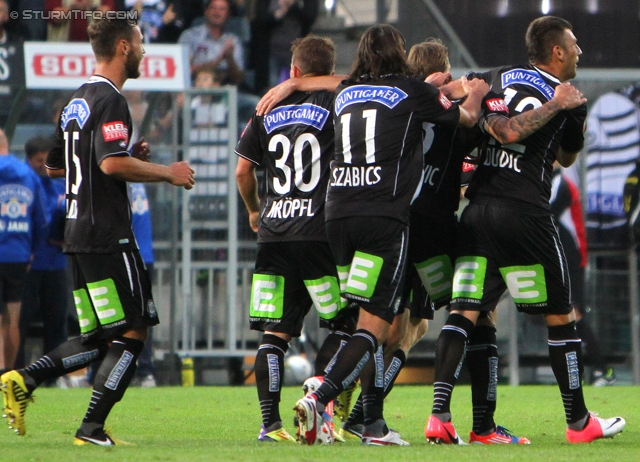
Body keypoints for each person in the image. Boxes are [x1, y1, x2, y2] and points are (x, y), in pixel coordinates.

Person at [425, 16, 625, 445]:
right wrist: (563, 107)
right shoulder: (570, 98)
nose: (579, 52)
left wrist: (436, 85)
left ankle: (442, 416)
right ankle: (578, 422)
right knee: (560, 316)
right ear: (556, 52)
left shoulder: (492, 77)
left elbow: (442, 97)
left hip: (477, 211)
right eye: (574, 45)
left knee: (465, 311)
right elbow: (568, 157)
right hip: (525, 215)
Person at [287, 24, 488, 446]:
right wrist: (472, 91)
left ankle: (370, 423)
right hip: (383, 218)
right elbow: (467, 117)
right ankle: (323, 396)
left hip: (337, 216)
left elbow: (336, 82)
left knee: (369, 319)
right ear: (400, 53)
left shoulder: (346, 92)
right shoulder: (411, 92)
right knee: (378, 325)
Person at [0, 16, 194, 445]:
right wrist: (167, 172)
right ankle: (90, 428)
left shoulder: (77, 101)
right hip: (109, 235)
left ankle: (24, 380)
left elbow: (54, 166)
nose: (144, 50)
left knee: (96, 335)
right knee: (133, 332)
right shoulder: (111, 100)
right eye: (141, 41)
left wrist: (123, 154)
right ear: (124, 46)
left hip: (78, 238)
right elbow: (109, 164)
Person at [236, 34, 356, 444]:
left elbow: (242, 172)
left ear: (294, 70)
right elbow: (355, 82)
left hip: (273, 235)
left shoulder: (265, 107)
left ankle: (270, 426)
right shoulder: (337, 100)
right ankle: (319, 393)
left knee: (275, 334)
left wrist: (254, 209)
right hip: (318, 233)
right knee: (345, 323)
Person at [550, 163, 615, 387]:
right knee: (563, 313)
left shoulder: (562, 184)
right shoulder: (551, 182)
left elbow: (549, 214)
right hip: (562, 253)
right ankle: (586, 368)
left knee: (574, 312)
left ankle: (602, 369)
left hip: (572, 255)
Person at [15, 136, 69, 377]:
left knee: (57, 320)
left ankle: (52, 376)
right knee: (20, 320)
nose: (45, 165)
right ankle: (16, 371)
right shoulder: (21, 181)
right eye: (40, 160)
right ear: (29, 160)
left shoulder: (59, 181)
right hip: (27, 262)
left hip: (56, 261)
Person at [0, 129, 48, 374]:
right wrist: (32, 250)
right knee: (12, 319)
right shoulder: (28, 175)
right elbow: (42, 219)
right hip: (18, 255)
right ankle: (9, 372)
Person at [178, 0, 244, 86]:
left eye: (222, 9)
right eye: (213, 8)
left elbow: (238, 79)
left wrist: (230, 58)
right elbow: (181, 71)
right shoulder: (190, 36)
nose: (217, 12)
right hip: (196, 86)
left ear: (228, 14)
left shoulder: (234, 40)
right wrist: (218, 60)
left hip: (226, 87)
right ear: (206, 11)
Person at [46, 0, 116, 42]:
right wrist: (71, 10)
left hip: (96, 48)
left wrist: (92, 7)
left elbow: (109, 15)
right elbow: (54, 17)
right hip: (62, 47)